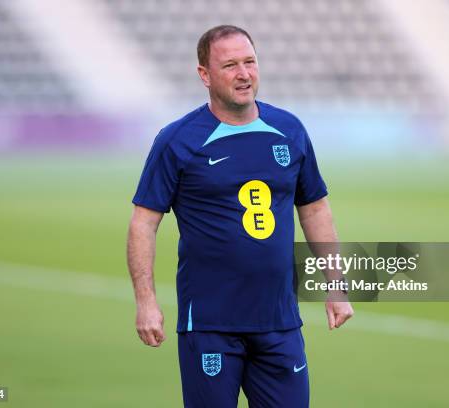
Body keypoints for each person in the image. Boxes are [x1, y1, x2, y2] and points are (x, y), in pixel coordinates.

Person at [127, 25, 353, 408]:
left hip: (280, 321)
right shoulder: (178, 139)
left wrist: (335, 282)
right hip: (211, 325)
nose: (244, 74)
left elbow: (314, 207)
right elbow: (143, 223)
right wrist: (146, 302)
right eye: (230, 65)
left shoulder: (289, 130)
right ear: (205, 75)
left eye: (249, 62)